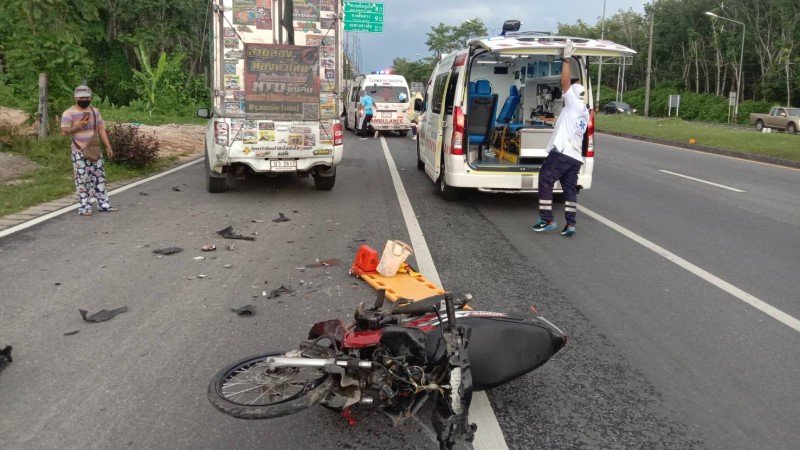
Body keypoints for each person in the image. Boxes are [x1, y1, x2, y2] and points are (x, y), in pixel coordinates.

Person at [532, 40, 589, 237]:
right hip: (575, 157)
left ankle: (547, 219)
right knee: (569, 190)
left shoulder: (573, 104)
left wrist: (566, 58)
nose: (565, 94)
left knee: (545, 179)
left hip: (563, 153)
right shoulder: (583, 111)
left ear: (573, 95)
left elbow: (564, 83)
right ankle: (571, 224)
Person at [61, 85, 116, 216]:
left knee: (99, 178)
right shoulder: (68, 113)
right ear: (75, 98)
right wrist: (78, 126)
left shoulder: (94, 111)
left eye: (86, 97)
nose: (84, 99)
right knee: (82, 179)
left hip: (95, 151)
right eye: (81, 97)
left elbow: (101, 129)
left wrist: (108, 146)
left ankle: (104, 204)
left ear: (90, 97)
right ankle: (84, 207)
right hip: (79, 151)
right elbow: (64, 132)